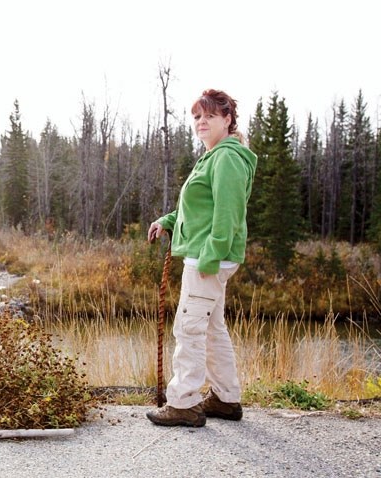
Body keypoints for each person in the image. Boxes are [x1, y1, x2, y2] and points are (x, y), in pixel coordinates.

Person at [146, 89, 257, 427]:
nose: (201, 122)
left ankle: (183, 403)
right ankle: (226, 398)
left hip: (208, 258)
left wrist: (210, 256)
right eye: (196, 116)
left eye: (209, 115)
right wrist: (167, 221)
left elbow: (228, 213)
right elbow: (199, 208)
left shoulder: (227, 157)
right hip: (208, 255)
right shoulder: (214, 157)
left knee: (189, 328)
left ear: (227, 120)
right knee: (210, 328)